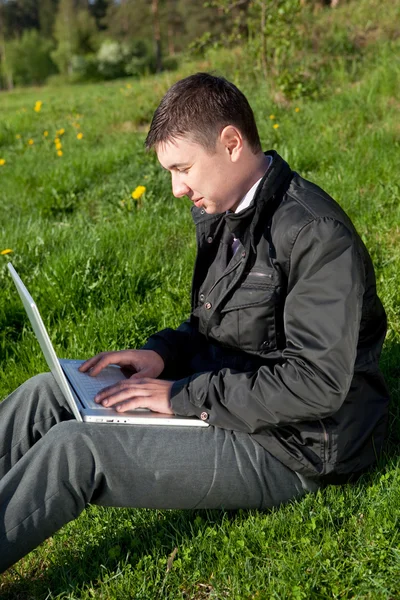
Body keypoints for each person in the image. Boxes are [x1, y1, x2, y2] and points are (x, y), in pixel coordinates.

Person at [0, 73, 389, 574]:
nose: (176, 188)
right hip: (230, 401)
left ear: (230, 143)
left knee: (76, 450)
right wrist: (163, 355)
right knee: (45, 393)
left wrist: (181, 396)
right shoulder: (224, 210)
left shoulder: (316, 235)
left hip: (297, 445)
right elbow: (218, 325)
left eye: (182, 168)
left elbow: (317, 386)